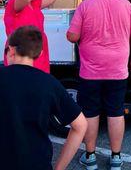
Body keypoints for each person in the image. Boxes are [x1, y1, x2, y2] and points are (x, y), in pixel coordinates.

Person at [67, 0, 131, 170]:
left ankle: (90, 157)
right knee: (116, 111)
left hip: (90, 71)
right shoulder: (126, 5)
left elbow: (73, 36)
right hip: (117, 69)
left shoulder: (84, 6)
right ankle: (116, 158)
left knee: (90, 112)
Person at [0, 25, 87, 170]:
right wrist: (59, 168)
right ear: (40, 54)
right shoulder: (49, 83)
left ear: (11, 50)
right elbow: (81, 125)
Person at [3, 0, 57, 73]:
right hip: (21, 54)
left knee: (39, 82)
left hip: (38, 51)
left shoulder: (35, 3)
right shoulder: (14, 4)